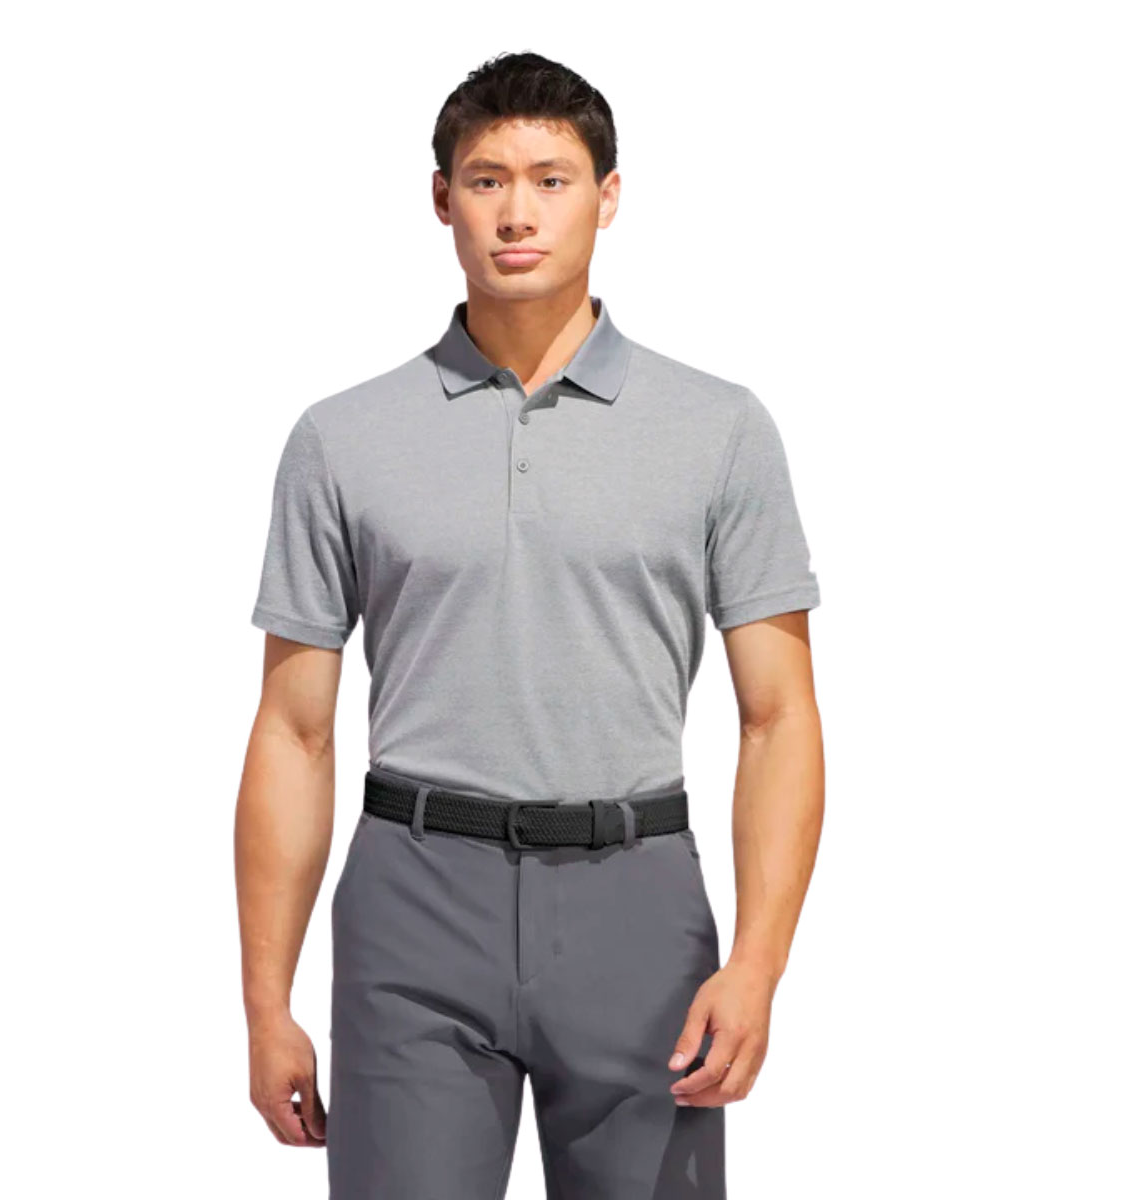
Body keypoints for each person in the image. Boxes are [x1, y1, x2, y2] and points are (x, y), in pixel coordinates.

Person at [234, 49, 825, 1200]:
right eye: (487, 179)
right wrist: (267, 1004)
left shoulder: (720, 429)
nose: (518, 213)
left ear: (609, 196)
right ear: (441, 197)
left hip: (638, 907)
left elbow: (779, 717)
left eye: (552, 180)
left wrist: (758, 964)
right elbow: (292, 733)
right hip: (413, 902)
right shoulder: (342, 439)